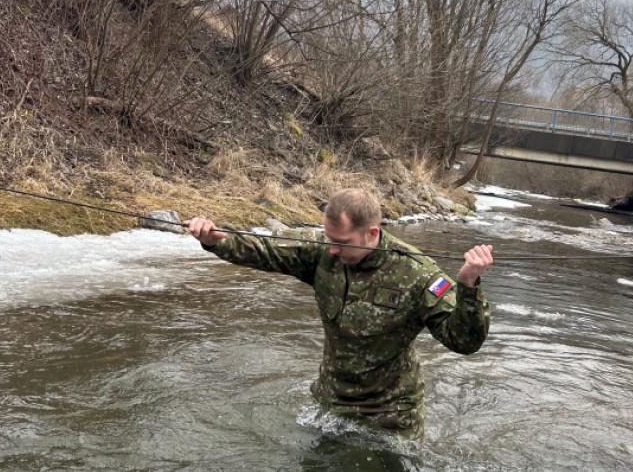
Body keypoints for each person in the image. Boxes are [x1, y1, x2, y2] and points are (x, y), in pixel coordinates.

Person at [188, 188, 492, 439]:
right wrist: (217, 240)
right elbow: (268, 251)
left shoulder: (417, 274)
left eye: (342, 242)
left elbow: (463, 342)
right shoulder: (325, 252)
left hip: (389, 420)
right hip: (330, 406)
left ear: (372, 233)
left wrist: (468, 285)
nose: (332, 249)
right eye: (329, 238)